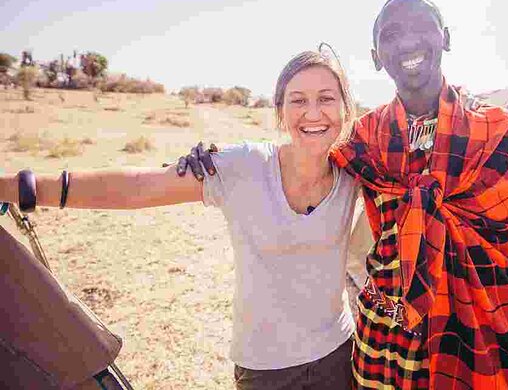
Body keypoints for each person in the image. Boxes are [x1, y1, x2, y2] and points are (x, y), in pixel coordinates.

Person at [187, 0, 508, 389]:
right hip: (388, 335)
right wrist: (220, 160)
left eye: (421, 27)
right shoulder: (365, 138)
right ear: (377, 56)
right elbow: (305, 153)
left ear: (444, 37)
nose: (408, 42)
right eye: (392, 34)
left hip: (477, 325)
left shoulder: (497, 130)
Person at [0, 48, 359, 390]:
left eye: (326, 98)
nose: (313, 112)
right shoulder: (243, 167)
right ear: (280, 112)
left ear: (346, 109)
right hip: (265, 367)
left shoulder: (356, 173)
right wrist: (20, 188)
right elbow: (137, 188)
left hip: (339, 354)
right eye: (298, 100)